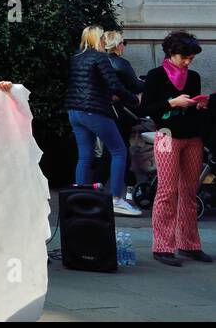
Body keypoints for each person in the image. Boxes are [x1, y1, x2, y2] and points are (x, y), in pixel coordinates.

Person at [141, 31, 209, 266]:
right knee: (167, 191)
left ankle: (189, 244)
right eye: (184, 57)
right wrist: (172, 102)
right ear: (171, 53)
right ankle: (162, 246)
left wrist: (198, 105)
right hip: (167, 134)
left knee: (190, 192)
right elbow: (147, 109)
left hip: (193, 136)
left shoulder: (194, 77)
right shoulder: (155, 76)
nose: (188, 62)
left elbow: (192, 107)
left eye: (191, 58)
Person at [64, 25, 140, 217]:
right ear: (98, 39)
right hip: (94, 111)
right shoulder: (100, 57)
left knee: (84, 155)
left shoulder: (76, 57)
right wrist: (133, 98)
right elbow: (113, 84)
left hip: (74, 111)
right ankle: (116, 199)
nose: (105, 41)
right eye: (102, 38)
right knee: (119, 150)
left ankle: (79, 199)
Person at [100, 30, 145, 193]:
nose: (124, 46)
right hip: (119, 112)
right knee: (119, 149)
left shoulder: (99, 61)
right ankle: (119, 188)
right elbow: (135, 86)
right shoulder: (120, 63)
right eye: (123, 43)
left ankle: (104, 184)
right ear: (118, 45)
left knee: (114, 148)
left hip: (101, 109)